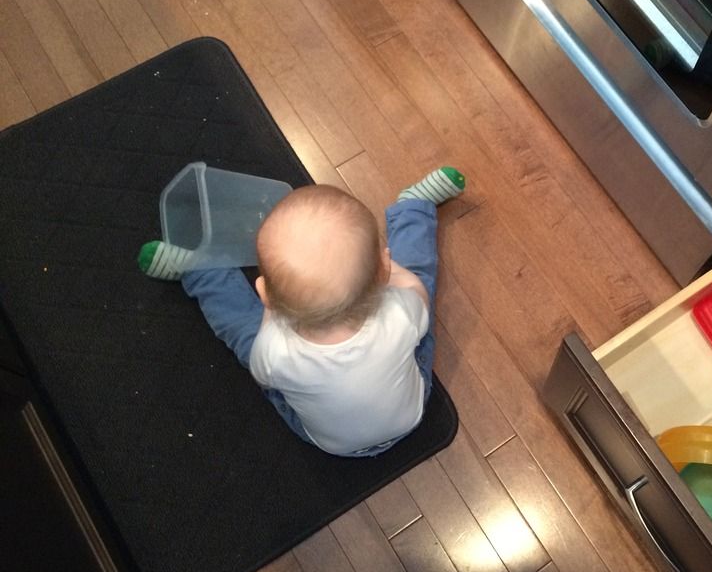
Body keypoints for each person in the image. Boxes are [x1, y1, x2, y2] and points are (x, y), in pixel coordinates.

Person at [136, 167, 466, 457]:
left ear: (263, 293)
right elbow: (415, 291)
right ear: (382, 271)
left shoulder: (273, 352)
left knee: (241, 330)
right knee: (418, 278)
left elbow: (264, 376)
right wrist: (395, 275)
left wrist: (272, 314)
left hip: (328, 443)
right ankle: (413, 208)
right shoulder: (399, 315)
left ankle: (199, 270)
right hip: (410, 415)